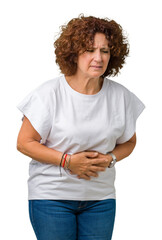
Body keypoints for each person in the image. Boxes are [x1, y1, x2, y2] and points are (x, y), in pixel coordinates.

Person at [17, 14, 145, 240]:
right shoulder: (48, 94)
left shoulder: (121, 97)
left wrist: (110, 158)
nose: (98, 58)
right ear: (74, 53)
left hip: (100, 200)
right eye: (89, 50)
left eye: (104, 51)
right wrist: (67, 161)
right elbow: (24, 143)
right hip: (51, 199)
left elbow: (130, 142)